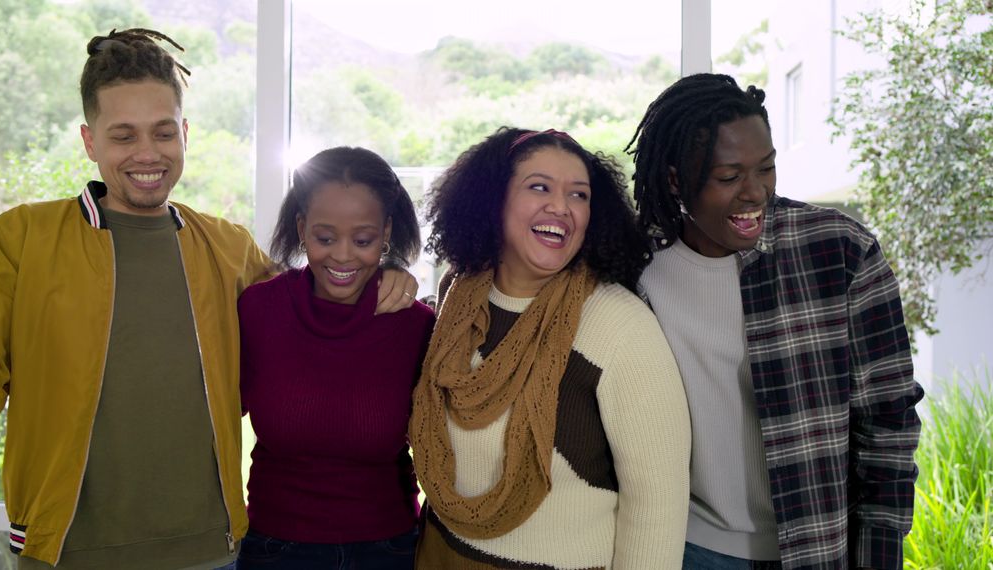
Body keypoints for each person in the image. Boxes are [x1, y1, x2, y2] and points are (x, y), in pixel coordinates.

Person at [0, 29, 417, 569]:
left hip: (211, 553)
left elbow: (321, 305)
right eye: (123, 135)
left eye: (163, 132)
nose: (147, 153)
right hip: (66, 553)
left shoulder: (229, 248)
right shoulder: (21, 239)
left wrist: (387, 273)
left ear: (185, 133)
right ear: (90, 141)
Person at [626, 73, 923, 570]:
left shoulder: (839, 250)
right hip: (686, 547)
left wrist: (879, 552)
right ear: (676, 180)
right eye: (729, 177)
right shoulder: (637, 267)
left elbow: (889, 418)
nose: (755, 192)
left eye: (766, 168)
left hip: (815, 548)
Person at [410, 127, 691, 568]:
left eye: (579, 195)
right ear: (494, 200)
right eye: (539, 187)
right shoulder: (457, 296)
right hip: (436, 553)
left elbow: (658, 505)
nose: (561, 207)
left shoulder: (620, 326)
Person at [234, 147, 435, 569]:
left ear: (386, 232)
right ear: (302, 228)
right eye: (325, 238)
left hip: (389, 550)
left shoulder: (415, 325)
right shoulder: (258, 309)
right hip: (274, 548)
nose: (343, 256)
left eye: (363, 240)